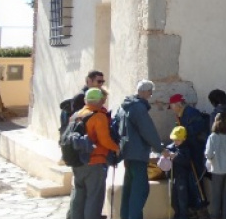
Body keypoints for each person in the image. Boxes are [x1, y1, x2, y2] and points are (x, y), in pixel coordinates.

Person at [117, 80, 167, 219]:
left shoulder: (124, 107)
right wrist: (160, 148)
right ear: (143, 91)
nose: (151, 94)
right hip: (138, 155)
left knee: (128, 190)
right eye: (150, 91)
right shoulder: (138, 108)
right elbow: (148, 131)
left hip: (127, 155)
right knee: (140, 191)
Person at [66, 87, 119, 219]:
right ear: (100, 100)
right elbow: (105, 140)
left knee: (79, 195)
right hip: (95, 161)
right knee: (94, 197)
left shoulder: (76, 115)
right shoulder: (99, 116)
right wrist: (116, 148)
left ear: (86, 100)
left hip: (77, 161)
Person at [166, 127, 207, 219]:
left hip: (182, 178)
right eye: (174, 139)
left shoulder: (186, 149)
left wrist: (175, 156)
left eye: (178, 140)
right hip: (173, 178)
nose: (175, 141)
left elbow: (185, 160)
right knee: (174, 200)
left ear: (184, 139)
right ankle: (177, 214)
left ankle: (183, 216)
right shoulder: (171, 147)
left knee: (182, 199)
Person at [205, 113, 226, 219]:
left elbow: (208, 154)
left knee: (216, 195)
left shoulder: (212, 137)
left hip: (217, 170)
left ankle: (215, 215)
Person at [169, 93, 210, 180]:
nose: (172, 110)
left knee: (196, 176)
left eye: (172, 107)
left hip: (196, 148)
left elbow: (197, 128)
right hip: (189, 149)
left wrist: (183, 133)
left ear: (178, 104)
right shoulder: (182, 114)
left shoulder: (191, 113)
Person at [59, 70, 105, 139]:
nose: (101, 84)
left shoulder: (96, 94)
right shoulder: (81, 96)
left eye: (102, 82)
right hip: (80, 139)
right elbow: (78, 120)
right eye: (99, 82)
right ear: (89, 81)